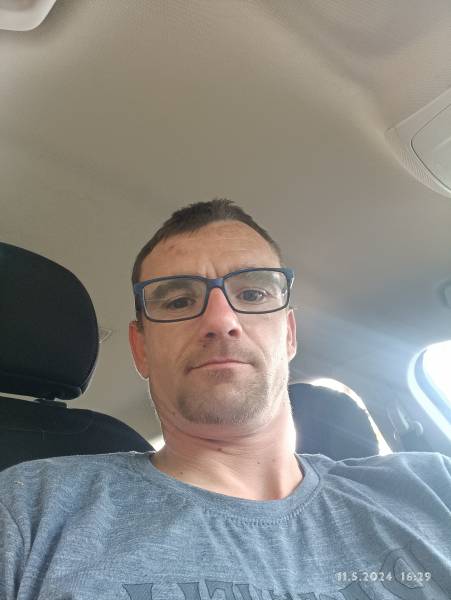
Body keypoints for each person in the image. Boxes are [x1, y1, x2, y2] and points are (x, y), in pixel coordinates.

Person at [0, 199, 450, 600]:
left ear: (289, 334)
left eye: (252, 294)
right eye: (178, 302)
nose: (220, 320)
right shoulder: (28, 510)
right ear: (141, 349)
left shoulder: (431, 485)